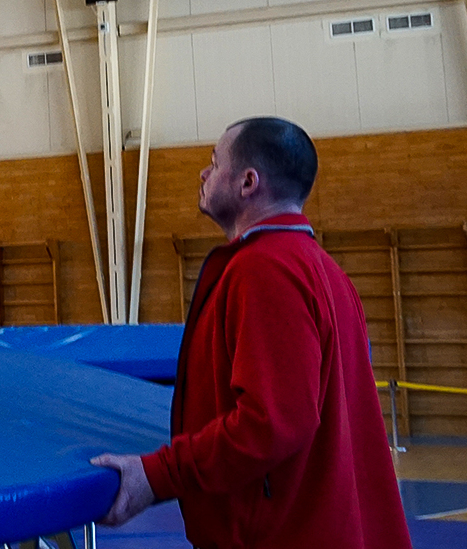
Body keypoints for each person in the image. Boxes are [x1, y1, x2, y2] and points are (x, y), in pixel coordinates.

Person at [90, 117, 412, 549]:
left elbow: (272, 424)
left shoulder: (265, 270)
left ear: (247, 182)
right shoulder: (328, 273)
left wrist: (157, 474)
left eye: (214, 162)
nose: (204, 174)